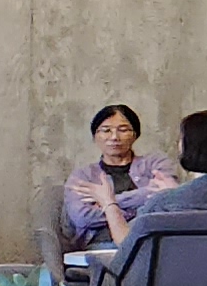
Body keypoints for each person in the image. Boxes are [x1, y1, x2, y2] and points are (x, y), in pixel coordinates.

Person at [62, 104, 177, 244]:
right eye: (106, 130)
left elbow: (169, 200)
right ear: (95, 136)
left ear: (135, 135)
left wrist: (106, 202)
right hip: (100, 245)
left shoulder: (155, 163)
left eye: (123, 130)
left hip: (148, 242)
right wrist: (142, 205)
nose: (114, 137)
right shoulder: (82, 176)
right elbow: (82, 218)